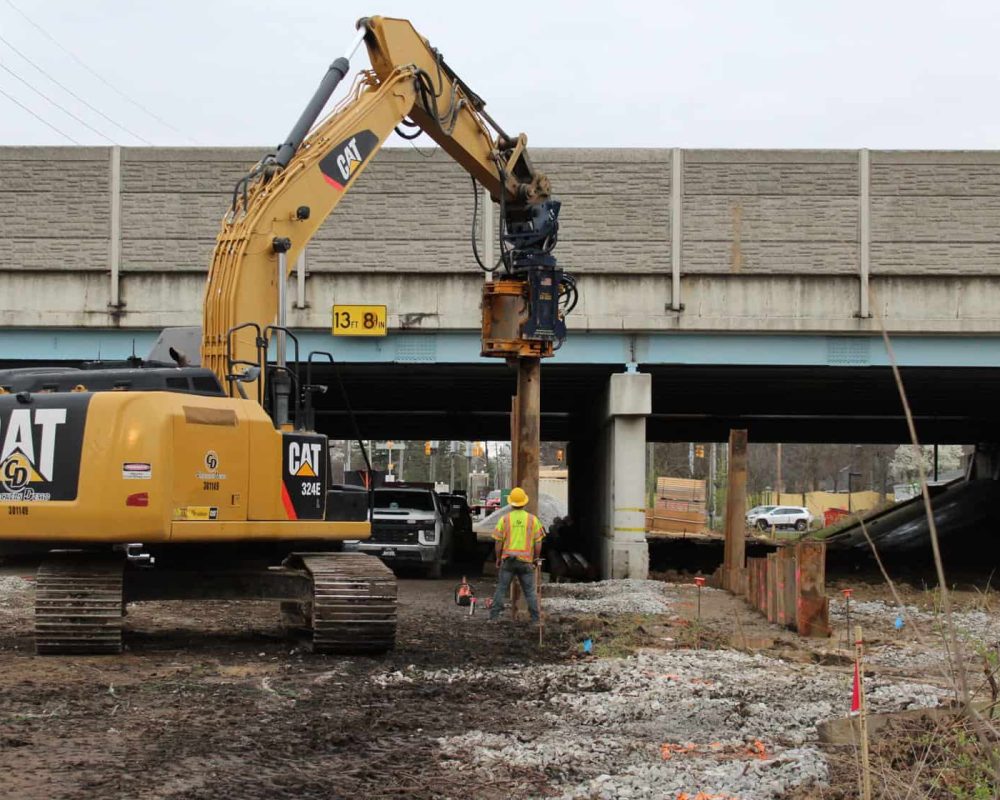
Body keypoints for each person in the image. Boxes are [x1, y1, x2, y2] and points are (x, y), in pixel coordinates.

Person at [489, 486, 545, 623]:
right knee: (530, 592)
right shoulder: (533, 520)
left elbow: (498, 542)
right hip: (526, 562)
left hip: (508, 561)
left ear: (511, 502)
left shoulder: (505, 519)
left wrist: (498, 558)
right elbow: (538, 542)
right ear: (524, 502)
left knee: (501, 589)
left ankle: (494, 618)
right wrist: (535, 559)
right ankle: (536, 620)